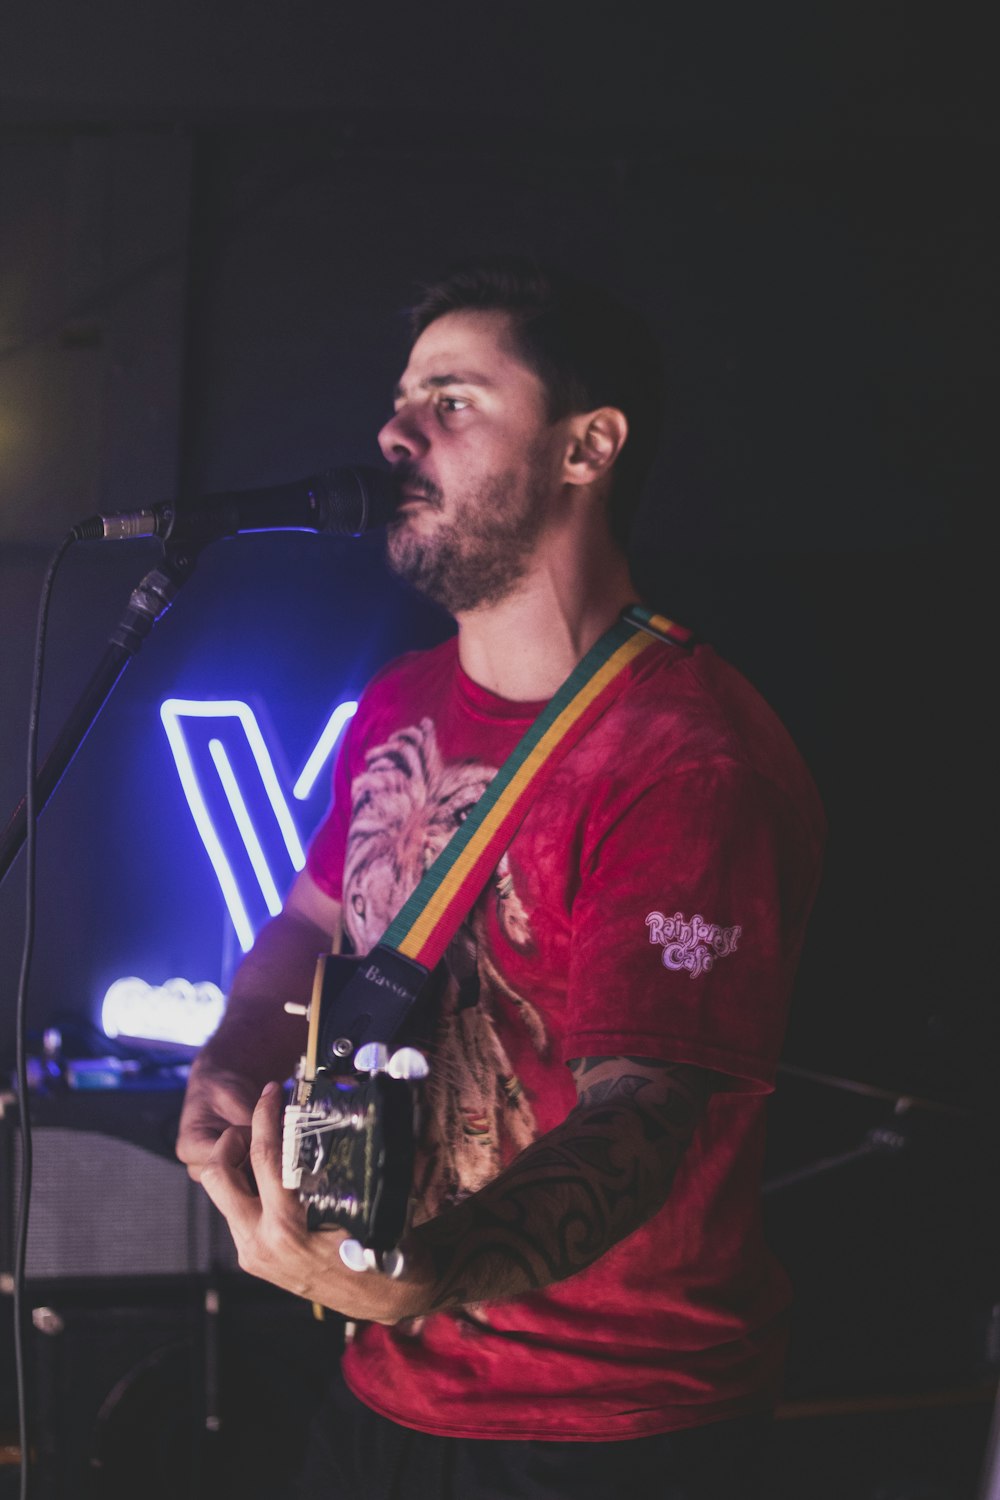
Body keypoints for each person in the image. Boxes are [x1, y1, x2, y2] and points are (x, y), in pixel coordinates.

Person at [177, 258, 826, 1498]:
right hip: (384, 1383)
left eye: (452, 398)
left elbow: (644, 1112)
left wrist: (423, 1270)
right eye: (400, 399)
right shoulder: (399, 700)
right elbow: (316, 914)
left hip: (612, 1426)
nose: (393, 430)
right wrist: (237, 1051)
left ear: (588, 447)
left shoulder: (691, 754)